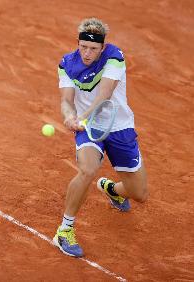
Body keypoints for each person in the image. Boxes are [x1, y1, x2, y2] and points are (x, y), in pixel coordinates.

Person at [53, 18, 148, 257]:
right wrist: (69, 116)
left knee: (139, 194)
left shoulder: (114, 57)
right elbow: (66, 100)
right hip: (89, 131)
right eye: (83, 47)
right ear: (78, 43)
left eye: (93, 49)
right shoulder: (67, 63)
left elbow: (104, 95)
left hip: (119, 127)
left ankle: (113, 190)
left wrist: (81, 116)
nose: (87, 53)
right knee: (87, 169)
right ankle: (64, 231)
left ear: (102, 48)